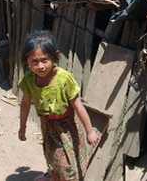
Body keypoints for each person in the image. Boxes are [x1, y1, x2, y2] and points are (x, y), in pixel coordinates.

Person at [18, 31, 100, 181]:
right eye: (34, 62)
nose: (40, 66)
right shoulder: (29, 80)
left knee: (67, 163)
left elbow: (78, 106)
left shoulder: (64, 79)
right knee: (51, 153)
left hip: (67, 126)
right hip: (47, 124)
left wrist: (90, 131)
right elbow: (25, 105)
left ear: (55, 57)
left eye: (45, 60)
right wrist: (22, 127)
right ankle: (53, 176)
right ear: (27, 61)